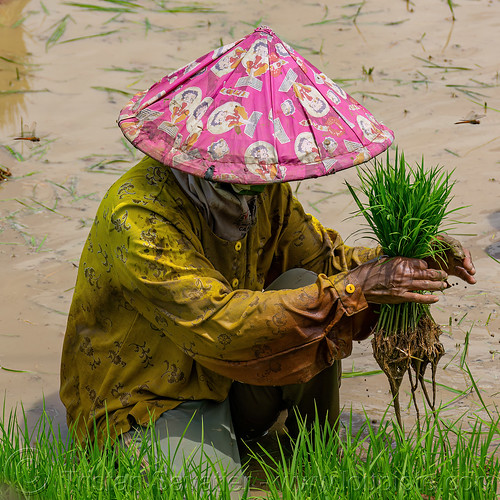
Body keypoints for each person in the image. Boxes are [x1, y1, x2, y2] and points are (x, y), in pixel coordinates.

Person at [59, 26, 476, 496]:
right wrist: (360, 287)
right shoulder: (137, 217)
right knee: (215, 489)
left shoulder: (258, 192)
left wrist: (406, 257)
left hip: (225, 373)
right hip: (150, 394)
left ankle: (310, 455)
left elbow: (327, 258)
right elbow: (219, 321)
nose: (263, 181)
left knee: (305, 279)